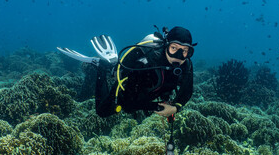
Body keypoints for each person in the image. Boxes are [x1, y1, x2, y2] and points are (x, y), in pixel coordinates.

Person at [57, 26, 196, 119]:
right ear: (166, 45)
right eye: (174, 48)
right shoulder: (147, 61)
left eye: (184, 51)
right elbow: (129, 104)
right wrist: (156, 106)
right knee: (102, 112)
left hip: (150, 93)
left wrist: (175, 109)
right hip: (130, 88)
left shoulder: (186, 64)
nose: (178, 55)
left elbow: (187, 91)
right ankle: (101, 66)